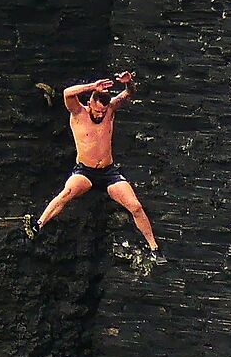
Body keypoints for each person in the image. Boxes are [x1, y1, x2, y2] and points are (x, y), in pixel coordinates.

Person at [34, 72, 159, 250]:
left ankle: (154, 247)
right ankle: (38, 224)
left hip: (108, 172)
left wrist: (129, 82)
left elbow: (129, 94)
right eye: (97, 110)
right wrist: (92, 86)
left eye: (103, 111)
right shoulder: (78, 112)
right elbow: (67, 93)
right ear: (90, 103)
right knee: (67, 192)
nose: (100, 115)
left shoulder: (110, 109)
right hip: (85, 171)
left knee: (135, 206)